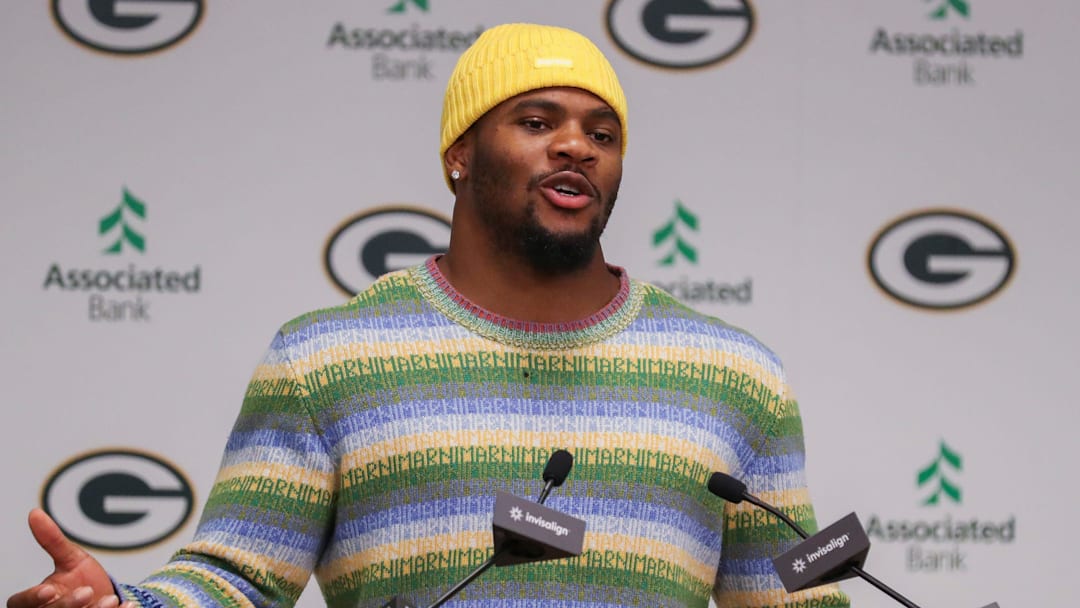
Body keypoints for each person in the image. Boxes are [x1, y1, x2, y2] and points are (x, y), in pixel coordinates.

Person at [9, 23, 850, 608]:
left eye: (603, 133)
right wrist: (128, 605)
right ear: (459, 155)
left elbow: (796, 600)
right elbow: (240, 579)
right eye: (536, 121)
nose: (576, 146)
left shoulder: (735, 376)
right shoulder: (327, 360)